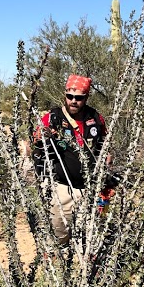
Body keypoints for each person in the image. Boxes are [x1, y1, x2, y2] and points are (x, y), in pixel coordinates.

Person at [32, 74, 111, 246]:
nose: (73, 101)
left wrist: (105, 181)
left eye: (79, 98)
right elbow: (37, 141)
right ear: (65, 95)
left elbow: (105, 148)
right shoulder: (53, 117)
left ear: (86, 97)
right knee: (57, 239)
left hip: (91, 189)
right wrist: (42, 137)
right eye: (70, 96)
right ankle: (58, 267)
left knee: (91, 239)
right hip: (62, 190)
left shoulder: (96, 118)